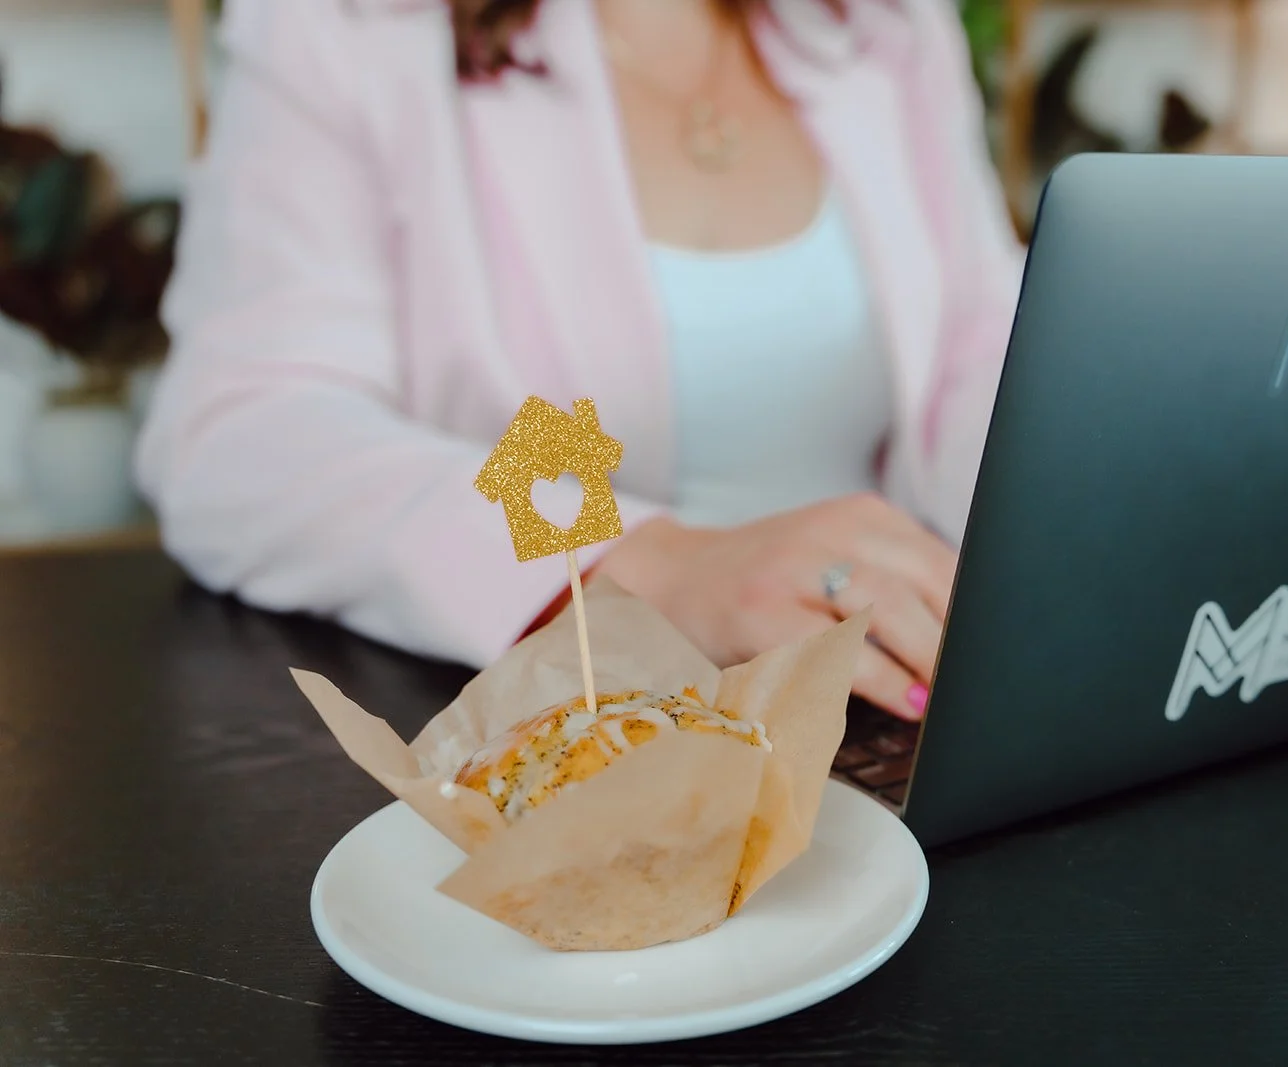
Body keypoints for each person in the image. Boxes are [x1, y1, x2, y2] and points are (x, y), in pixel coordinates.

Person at [136, 0, 1024, 723]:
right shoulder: (348, 32)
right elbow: (247, 431)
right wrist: (652, 565)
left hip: (886, 701)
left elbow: (974, 348)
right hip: (557, 734)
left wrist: (1070, 507)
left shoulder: (891, 26)